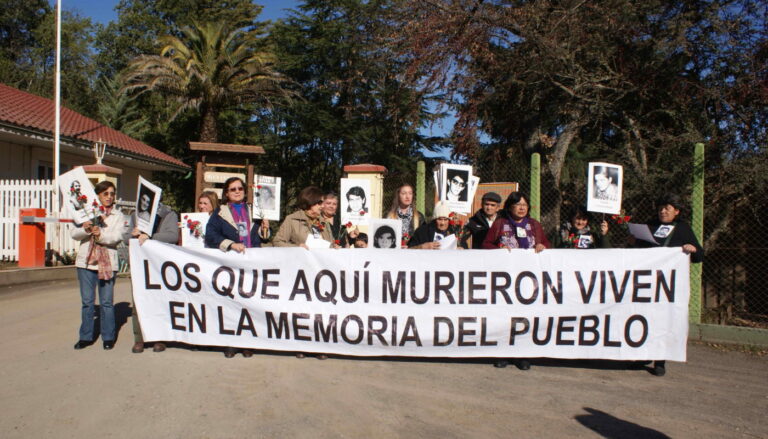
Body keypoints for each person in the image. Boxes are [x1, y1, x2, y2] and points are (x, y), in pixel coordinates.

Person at [632, 193, 703, 377]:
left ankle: (660, 360)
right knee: (645, 317)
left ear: (676, 212)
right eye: (661, 208)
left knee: (662, 320)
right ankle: (643, 354)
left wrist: (692, 249)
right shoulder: (650, 225)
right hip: (647, 282)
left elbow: (699, 255)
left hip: (667, 285)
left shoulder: (682, 229)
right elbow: (638, 252)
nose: (663, 211)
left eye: (667, 209)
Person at [482, 192, 550, 371]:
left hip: (528, 279)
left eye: (524, 205)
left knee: (524, 316)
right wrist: (498, 248)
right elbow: (486, 245)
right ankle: (502, 353)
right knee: (504, 315)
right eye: (517, 204)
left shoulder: (534, 225)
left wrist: (542, 246)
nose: (521, 208)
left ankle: (522, 354)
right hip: (505, 279)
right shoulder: (500, 224)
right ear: (509, 207)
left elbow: (546, 245)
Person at [204, 177, 270, 358]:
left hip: (251, 263)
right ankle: (231, 342)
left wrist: (265, 228)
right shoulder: (219, 212)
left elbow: (263, 238)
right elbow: (210, 235)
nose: (237, 191)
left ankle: (248, 342)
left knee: (250, 304)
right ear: (226, 193)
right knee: (231, 304)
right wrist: (231, 244)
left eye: (240, 188)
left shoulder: (254, 210)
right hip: (230, 264)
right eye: (232, 189)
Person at [274, 186, 334, 359]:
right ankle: (300, 344)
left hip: (318, 274)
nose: (322, 206)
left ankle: (318, 345)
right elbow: (277, 242)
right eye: (319, 203)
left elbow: (328, 243)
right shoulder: (292, 220)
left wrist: (333, 247)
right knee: (300, 310)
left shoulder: (323, 221)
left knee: (318, 311)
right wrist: (296, 248)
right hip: (298, 274)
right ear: (310, 202)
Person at [71, 181, 128, 351]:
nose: (109, 197)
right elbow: (74, 233)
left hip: (107, 262)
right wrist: (87, 229)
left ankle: (108, 336)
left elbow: (116, 237)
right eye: (105, 194)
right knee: (88, 302)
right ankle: (86, 336)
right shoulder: (85, 212)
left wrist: (100, 234)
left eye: (112, 193)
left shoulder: (118, 216)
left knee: (106, 302)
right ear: (98, 195)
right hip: (86, 262)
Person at [126, 193, 180, 354]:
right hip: (140, 265)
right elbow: (124, 236)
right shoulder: (135, 216)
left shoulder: (168, 215)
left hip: (160, 266)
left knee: (160, 301)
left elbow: (172, 236)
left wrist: (150, 237)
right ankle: (139, 338)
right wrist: (133, 234)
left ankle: (159, 338)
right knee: (139, 301)